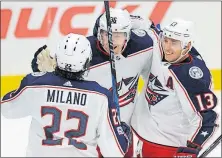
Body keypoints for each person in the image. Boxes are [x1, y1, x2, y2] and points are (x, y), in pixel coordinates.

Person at [31, 8, 156, 157]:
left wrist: (146, 23)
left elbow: (165, 41)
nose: (111, 41)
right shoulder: (83, 53)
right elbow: (53, 75)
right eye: (106, 35)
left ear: (128, 35)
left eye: (118, 35)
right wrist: (47, 70)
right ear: (98, 33)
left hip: (123, 134)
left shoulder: (144, 46)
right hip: (89, 138)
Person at [1, 33, 132, 157]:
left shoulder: (35, 85)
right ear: (87, 62)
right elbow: (114, 152)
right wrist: (123, 135)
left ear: (57, 57)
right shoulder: (101, 96)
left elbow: (6, 109)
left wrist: (44, 77)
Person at [131, 18, 219, 157]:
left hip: (169, 146)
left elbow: (208, 120)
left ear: (187, 45)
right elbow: (149, 27)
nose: (167, 47)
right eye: (166, 40)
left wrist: (193, 147)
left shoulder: (190, 76)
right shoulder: (161, 47)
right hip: (146, 139)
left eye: (174, 43)